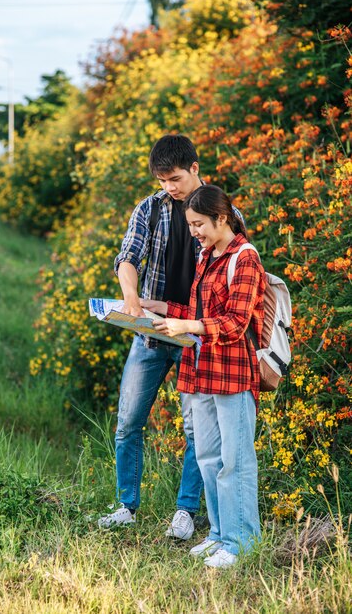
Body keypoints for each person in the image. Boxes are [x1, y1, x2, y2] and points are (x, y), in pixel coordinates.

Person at [98, 135, 243, 540]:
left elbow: (239, 274)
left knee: (197, 432)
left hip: (197, 336)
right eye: (162, 180)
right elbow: (127, 256)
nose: (169, 188)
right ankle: (126, 505)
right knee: (128, 421)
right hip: (152, 331)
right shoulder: (149, 207)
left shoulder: (226, 213)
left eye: (175, 178)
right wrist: (131, 298)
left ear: (195, 168)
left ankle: (186, 510)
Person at [142, 184, 266, 568]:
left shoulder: (244, 258)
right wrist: (158, 308)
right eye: (191, 224)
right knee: (210, 457)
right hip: (201, 370)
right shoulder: (205, 255)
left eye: (199, 224)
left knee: (235, 460)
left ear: (221, 218)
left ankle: (242, 541)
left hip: (233, 372)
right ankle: (219, 534)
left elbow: (234, 323)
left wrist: (188, 328)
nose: (194, 231)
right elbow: (196, 308)